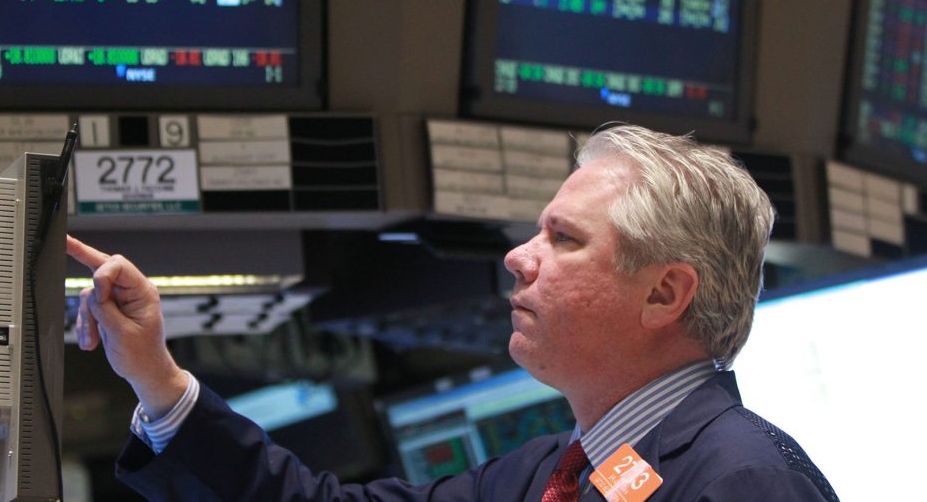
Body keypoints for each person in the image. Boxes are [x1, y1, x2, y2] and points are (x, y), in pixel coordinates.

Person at [68, 124, 838, 502]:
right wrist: (156, 378)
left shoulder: (743, 479)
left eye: (563, 238)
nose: (519, 256)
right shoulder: (548, 473)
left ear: (664, 294)